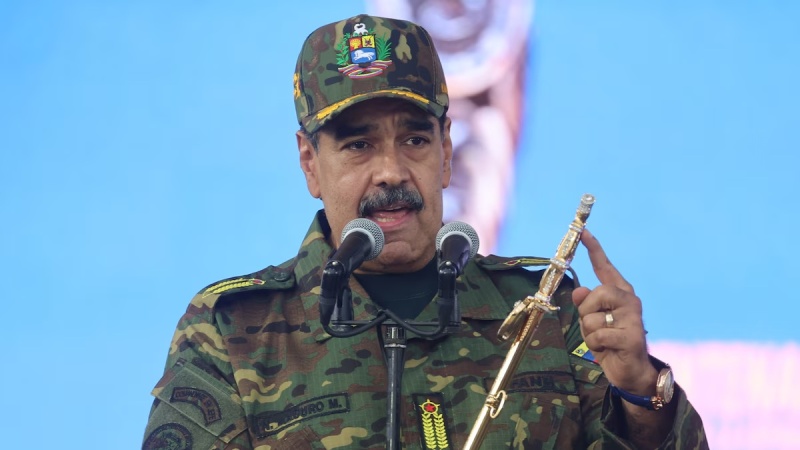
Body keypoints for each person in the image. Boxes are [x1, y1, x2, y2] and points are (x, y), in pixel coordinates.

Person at [142, 14, 707, 450]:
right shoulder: (233, 329)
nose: (391, 171)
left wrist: (641, 393)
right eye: (358, 145)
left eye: (414, 140)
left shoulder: (545, 313)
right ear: (310, 163)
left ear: (446, 152)